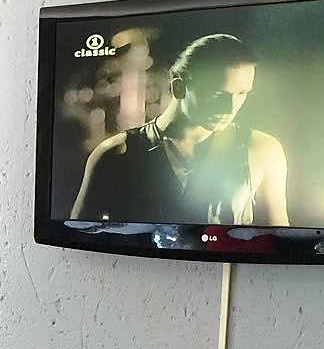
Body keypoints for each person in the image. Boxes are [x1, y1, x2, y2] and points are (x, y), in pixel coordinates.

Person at [69, 34, 289, 226]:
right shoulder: (115, 153)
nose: (230, 108)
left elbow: (279, 241)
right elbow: (80, 237)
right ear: (178, 87)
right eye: (217, 94)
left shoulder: (262, 150)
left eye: (242, 93)